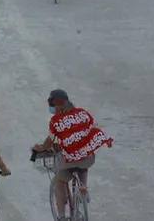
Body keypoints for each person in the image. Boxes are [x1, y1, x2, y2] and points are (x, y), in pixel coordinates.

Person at [31, 89, 112, 219]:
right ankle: (83, 190)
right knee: (83, 162)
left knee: (60, 181)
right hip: (87, 158)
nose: (53, 108)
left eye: (53, 105)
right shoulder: (83, 113)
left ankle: (62, 216)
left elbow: (50, 140)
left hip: (68, 161)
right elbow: (92, 127)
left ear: (58, 105)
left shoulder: (56, 121)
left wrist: (41, 148)